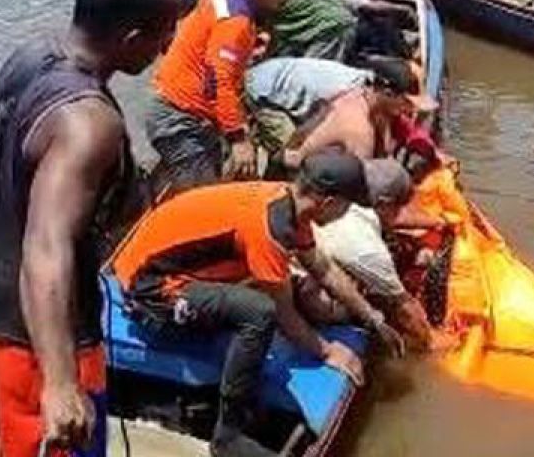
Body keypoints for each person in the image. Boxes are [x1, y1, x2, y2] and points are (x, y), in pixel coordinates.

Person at [0, 0, 180, 457]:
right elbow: (47, 244)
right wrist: (59, 382)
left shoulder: (29, 57)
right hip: (42, 336)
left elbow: (18, 165)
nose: (166, 49)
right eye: (162, 35)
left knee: (5, 440)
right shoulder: (91, 126)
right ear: (129, 38)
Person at [110, 150, 405, 457]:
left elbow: (324, 268)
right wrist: (328, 351)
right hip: (150, 284)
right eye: (347, 206)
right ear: (328, 203)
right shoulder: (269, 228)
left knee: (279, 286)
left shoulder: (288, 203)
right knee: (260, 312)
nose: (347, 214)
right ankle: (228, 436)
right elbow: (283, 313)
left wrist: (372, 318)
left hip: (173, 261)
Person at [148, 0, 303, 191]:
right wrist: (238, 137)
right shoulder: (235, 19)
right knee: (202, 200)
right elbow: (218, 78)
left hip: (178, 101)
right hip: (179, 116)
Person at [310, 159, 439, 350]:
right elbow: (407, 310)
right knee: (388, 302)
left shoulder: (338, 200)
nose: (400, 215)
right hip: (309, 301)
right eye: (398, 208)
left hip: (295, 272)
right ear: (383, 204)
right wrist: (432, 344)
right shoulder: (368, 249)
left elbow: (393, 220)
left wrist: (438, 222)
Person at [282, 57, 435, 171]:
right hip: (302, 176)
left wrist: (432, 153)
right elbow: (361, 192)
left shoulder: (368, 98)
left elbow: (405, 130)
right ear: (387, 93)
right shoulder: (359, 131)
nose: (411, 111)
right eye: (407, 103)